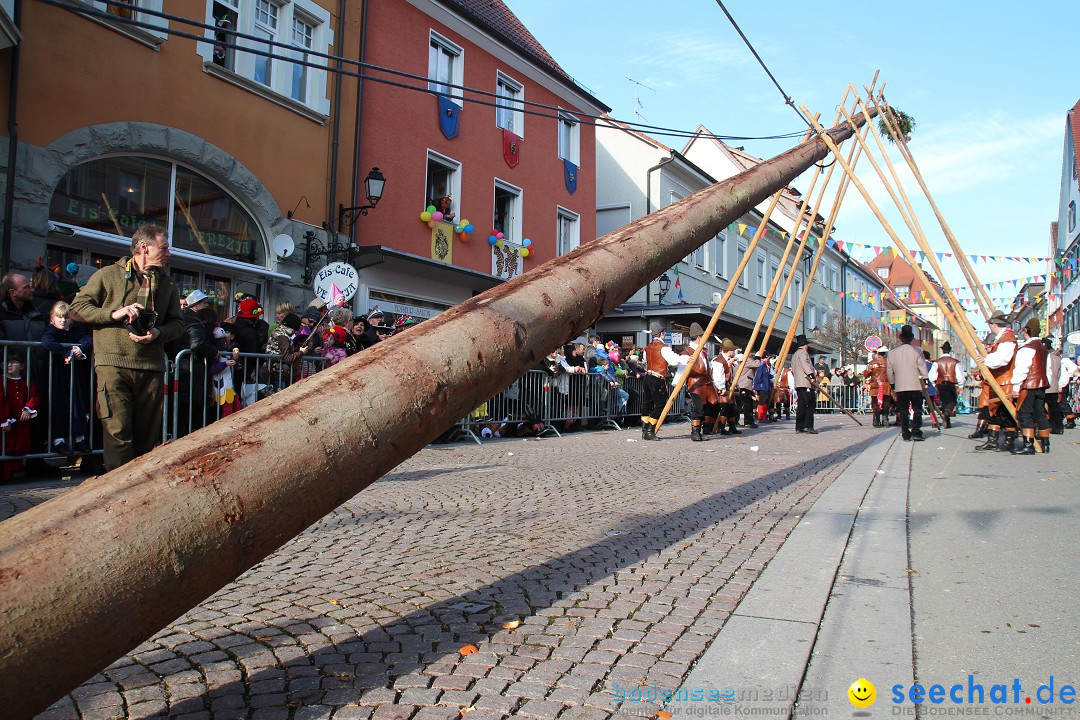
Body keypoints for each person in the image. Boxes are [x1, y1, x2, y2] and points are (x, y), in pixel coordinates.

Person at [70, 223, 184, 471]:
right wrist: (115, 313)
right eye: (164, 248)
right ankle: (117, 496)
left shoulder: (167, 284)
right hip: (113, 364)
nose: (168, 254)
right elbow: (76, 309)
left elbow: (178, 324)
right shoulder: (108, 275)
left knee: (145, 439)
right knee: (118, 434)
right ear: (144, 247)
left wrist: (158, 332)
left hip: (151, 366)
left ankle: (139, 494)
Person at [40, 301, 93, 454]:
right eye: (59, 317)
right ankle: (59, 441)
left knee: (77, 405)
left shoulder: (76, 330)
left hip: (73, 375)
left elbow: (87, 340)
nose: (63, 320)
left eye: (66, 317)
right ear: (52, 318)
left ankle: (79, 439)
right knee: (58, 405)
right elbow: (47, 342)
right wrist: (66, 351)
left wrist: (79, 349)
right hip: (55, 375)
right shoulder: (51, 331)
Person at [165, 290, 220, 437]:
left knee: (179, 414)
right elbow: (197, 344)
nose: (206, 306)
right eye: (204, 303)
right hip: (191, 374)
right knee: (191, 416)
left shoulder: (181, 319)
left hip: (181, 371)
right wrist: (214, 351)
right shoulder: (193, 321)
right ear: (195, 305)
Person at [974, 311, 1018, 452]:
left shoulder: (1007, 339)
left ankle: (1009, 442)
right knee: (993, 413)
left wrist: (986, 359)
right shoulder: (1002, 339)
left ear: (993, 325)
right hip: (998, 381)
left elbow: (1002, 359)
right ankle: (992, 441)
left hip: (1005, 381)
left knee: (1006, 413)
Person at [1009, 318, 1050, 455]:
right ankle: (1045, 444)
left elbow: (1021, 370)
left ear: (1027, 332)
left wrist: (1016, 387)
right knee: (1040, 414)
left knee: (1024, 414)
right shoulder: (1043, 348)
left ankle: (1028, 445)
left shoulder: (1026, 349)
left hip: (1028, 385)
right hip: (1042, 385)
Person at [676, 323, 719, 441]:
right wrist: (676, 383)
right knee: (698, 408)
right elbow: (681, 367)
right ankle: (695, 432)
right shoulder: (688, 352)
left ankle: (706, 428)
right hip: (695, 383)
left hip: (706, 382)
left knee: (714, 405)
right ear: (699, 337)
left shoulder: (702, 351)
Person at [1, 352, 40, 481]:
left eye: (14, 362)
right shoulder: (2, 381)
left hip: (20, 421)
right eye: (6, 362)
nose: (9, 365)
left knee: (21, 444)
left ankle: (14, 470)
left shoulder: (26, 381)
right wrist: (4, 419)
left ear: (22, 366)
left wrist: (28, 409)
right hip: (6, 420)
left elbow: (35, 396)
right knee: (5, 445)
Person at [887, 324, 928, 442]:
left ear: (901, 338)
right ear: (911, 338)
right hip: (915, 384)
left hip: (900, 385)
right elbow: (922, 366)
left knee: (903, 410)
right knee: (917, 409)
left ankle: (905, 433)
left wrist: (892, 383)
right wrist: (925, 379)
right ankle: (916, 431)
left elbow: (889, 370)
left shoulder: (892, 353)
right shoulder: (918, 350)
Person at [640, 322, 681, 440]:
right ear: (661, 334)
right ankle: (649, 430)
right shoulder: (663, 348)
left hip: (648, 376)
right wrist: (685, 359)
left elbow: (644, 360)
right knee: (660, 404)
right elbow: (674, 361)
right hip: (657, 377)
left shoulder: (647, 347)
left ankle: (645, 430)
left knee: (647, 403)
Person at [929, 341, 964, 428]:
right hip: (951, 384)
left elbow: (931, 375)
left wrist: (934, 384)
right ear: (950, 350)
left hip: (941, 384)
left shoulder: (937, 362)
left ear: (942, 350)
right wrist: (961, 385)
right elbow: (960, 375)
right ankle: (947, 413)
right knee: (952, 401)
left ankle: (947, 420)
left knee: (944, 401)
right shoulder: (955, 362)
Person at [792, 334, 817, 434]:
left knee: (801, 405)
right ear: (805, 345)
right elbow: (805, 365)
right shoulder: (803, 353)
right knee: (810, 404)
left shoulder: (795, 354)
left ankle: (799, 427)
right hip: (806, 382)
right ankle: (808, 426)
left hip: (799, 383)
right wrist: (811, 376)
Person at [864, 347, 892, 428]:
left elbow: (866, 375)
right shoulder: (888, 362)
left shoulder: (872, 363)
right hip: (886, 384)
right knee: (886, 402)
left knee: (875, 402)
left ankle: (876, 420)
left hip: (875, 385)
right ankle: (885, 418)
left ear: (877, 353)